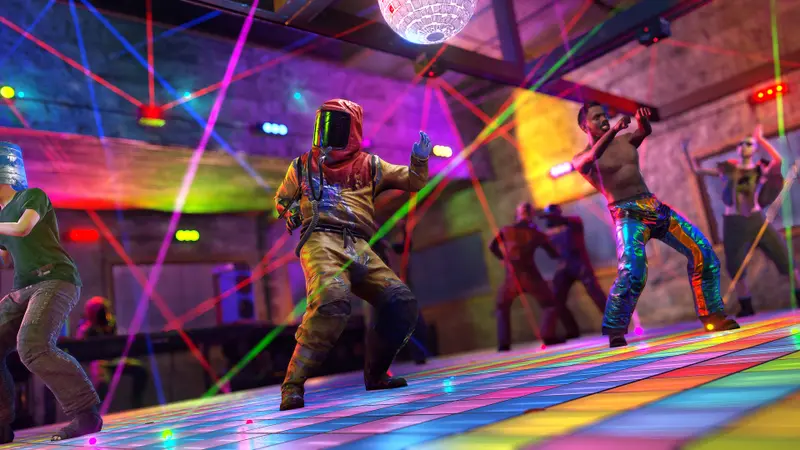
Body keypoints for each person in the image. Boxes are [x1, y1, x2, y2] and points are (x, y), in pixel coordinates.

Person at [274, 99, 431, 411]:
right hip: (320, 240)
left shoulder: (371, 165)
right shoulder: (302, 165)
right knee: (331, 299)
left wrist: (420, 159)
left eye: (336, 124)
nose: (328, 132)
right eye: (325, 123)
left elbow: (414, 181)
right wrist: (290, 212)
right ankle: (292, 386)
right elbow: (282, 200)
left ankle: (376, 375)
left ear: (352, 129)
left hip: (358, 245)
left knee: (400, 302)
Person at [572, 103, 739, 348]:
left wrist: (642, 122)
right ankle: (616, 329)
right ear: (584, 126)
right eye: (596, 118)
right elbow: (592, 157)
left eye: (604, 115)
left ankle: (713, 315)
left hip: (654, 207)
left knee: (702, 250)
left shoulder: (625, 141)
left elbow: (643, 133)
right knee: (633, 271)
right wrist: (614, 129)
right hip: (627, 214)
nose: (603, 119)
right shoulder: (582, 158)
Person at [0, 142, 101, 443]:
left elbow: (23, 228)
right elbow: (5, 258)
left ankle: (86, 415)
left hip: (55, 279)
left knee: (33, 345)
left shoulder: (32, 196)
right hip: (23, 288)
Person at [683, 125, 800, 317]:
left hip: (756, 220)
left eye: (750, 144)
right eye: (743, 144)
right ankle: (746, 306)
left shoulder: (759, 170)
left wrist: (760, 139)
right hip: (734, 223)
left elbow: (778, 161)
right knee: (735, 266)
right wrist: (686, 152)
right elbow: (698, 171)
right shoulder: (729, 169)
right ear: (738, 149)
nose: (745, 146)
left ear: (754, 150)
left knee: (783, 256)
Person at [490, 202, 565, 350]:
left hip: (511, 277)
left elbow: (492, 246)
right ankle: (548, 336)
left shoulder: (506, 230)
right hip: (530, 276)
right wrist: (552, 237)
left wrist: (502, 258)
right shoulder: (535, 232)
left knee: (502, 307)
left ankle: (503, 344)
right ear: (531, 215)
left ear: (517, 214)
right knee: (550, 304)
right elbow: (553, 253)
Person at [540, 204, 607, 339]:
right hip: (564, 266)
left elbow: (568, 222)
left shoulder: (573, 222)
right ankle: (572, 330)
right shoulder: (551, 233)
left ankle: (615, 324)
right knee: (556, 299)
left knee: (596, 294)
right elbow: (553, 254)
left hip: (580, 264)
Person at [76, 296, 149, 410]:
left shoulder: (110, 323)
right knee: (102, 383)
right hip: (98, 362)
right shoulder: (86, 328)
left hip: (114, 360)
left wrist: (110, 327)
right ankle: (97, 412)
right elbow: (81, 348)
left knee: (140, 371)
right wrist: (91, 327)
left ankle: (137, 404)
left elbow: (118, 341)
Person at [374, 218, 428, 364]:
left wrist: (404, 229)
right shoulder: (373, 249)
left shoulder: (388, 247)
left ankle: (419, 355)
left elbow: (407, 246)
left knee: (414, 322)